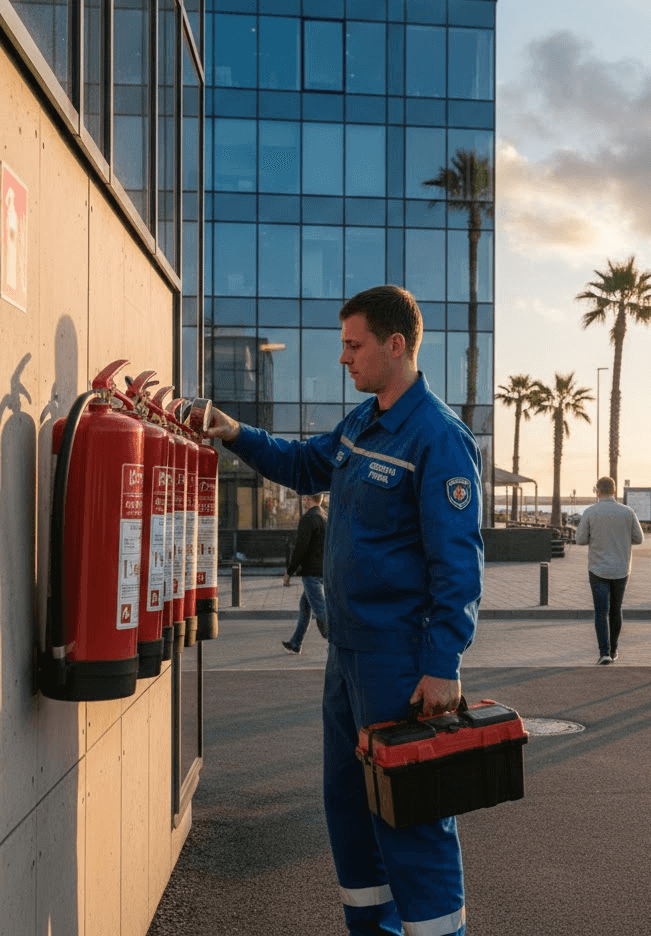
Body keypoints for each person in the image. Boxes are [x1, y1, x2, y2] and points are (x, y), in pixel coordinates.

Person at [206, 285, 483, 936]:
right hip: (349, 656)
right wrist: (235, 433)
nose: (344, 359)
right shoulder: (361, 426)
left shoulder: (438, 438)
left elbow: (458, 564)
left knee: (409, 816)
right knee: (349, 808)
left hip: (401, 659)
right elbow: (304, 465)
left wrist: (442, 664)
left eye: (353, 346)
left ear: (395, 346)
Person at [574, 476, 643, 665]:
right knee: (616, 608)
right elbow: (639, 538)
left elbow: (579, 539)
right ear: (614, 490)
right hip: (621, 568)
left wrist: (595, 539)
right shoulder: (627, 512)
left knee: (601, 611)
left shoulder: (590, 512)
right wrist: (622, 540)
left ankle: (604, 653)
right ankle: (614, 650)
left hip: (598, 568)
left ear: (597, 490)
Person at [281, 493, 328, 653]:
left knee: (321, 611)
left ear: (308, 500)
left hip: (311, 573)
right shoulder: (325, 516)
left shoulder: (308, 518)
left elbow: (300, 548)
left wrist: (289, 572)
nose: (303, 501)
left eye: (304, 498)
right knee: (305, 607)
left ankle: (337, 644)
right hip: (323, 571)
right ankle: (295, 643)